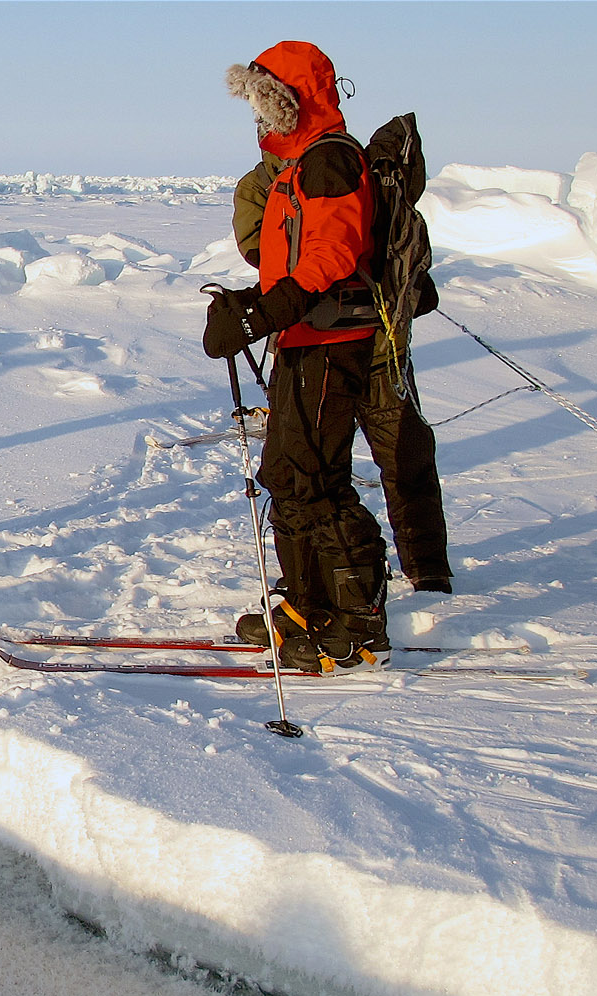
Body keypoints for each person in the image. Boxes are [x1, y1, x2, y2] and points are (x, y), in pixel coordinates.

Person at [204, 41, 392, 672]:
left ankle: (358, 617)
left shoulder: (331, 162)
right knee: (287, 475)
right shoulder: (298, 167)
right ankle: (306, 601)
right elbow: (291, 260)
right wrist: (248, 303)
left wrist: (262, 313)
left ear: (290, 102)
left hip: (333, 342)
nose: (257, 118)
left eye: (263, 102)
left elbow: (334, 257)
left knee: (314, 478)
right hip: (304, 338)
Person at [233, 153, 453, 594]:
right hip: (312, 348)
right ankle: (315, 580)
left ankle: (427, 572)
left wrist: (402, 279)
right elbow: (267, 257)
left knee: (405, 457)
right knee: (304, 472)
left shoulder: (355, 169)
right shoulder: (263, 185)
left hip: (380, 348)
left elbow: (392, 242)